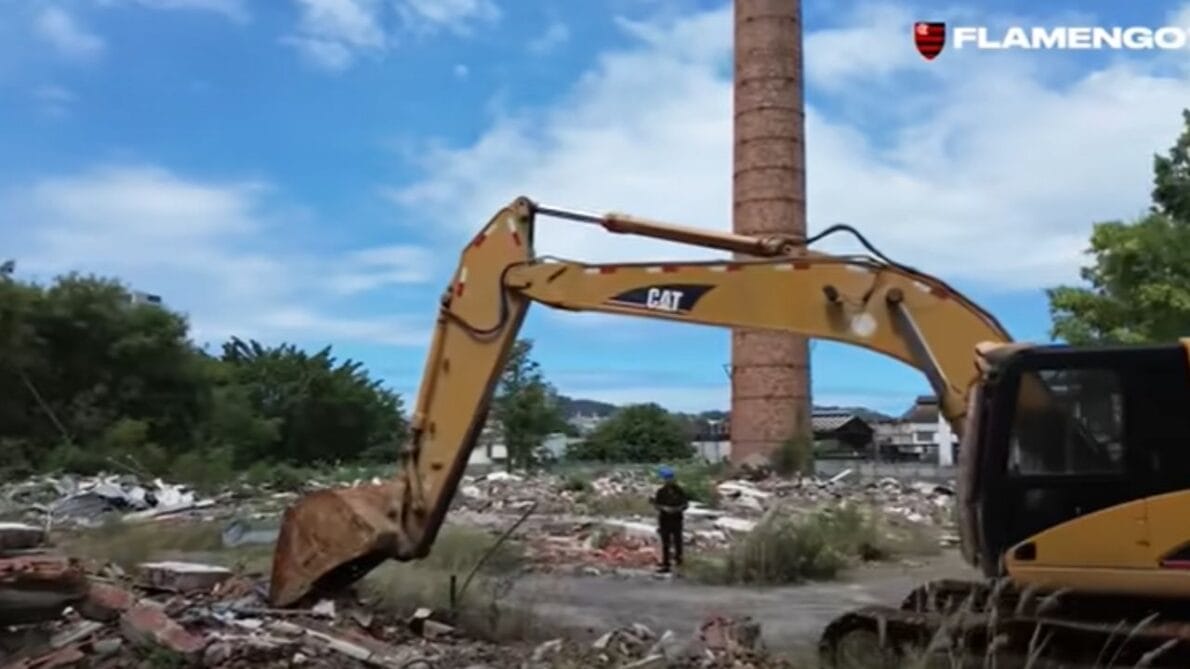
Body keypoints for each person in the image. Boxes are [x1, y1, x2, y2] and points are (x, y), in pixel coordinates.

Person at [650, 465, 689, 573]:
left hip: (677, 519)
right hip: (665, 520)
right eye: (666, 478)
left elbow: (685, 504)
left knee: (678, 542)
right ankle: (666, 564)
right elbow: (657, 504)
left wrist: (676, 509)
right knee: (665, 543)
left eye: (670, 478)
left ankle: (679, 563)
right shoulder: (661, 492)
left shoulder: (679, 491)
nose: (668, 480)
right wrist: (664, 508)